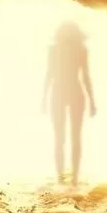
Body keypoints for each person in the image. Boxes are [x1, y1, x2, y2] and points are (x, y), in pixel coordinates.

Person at [41, 20, 96, 186]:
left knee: (64, 136)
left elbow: (50, 75)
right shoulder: (77, 50)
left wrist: (43, 99)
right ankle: (70, 178)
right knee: (68, 136)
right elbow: (50, 74)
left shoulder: (61, 50)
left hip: (62, 93)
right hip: (70, 93)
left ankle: (67, 177)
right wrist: (92, 101)